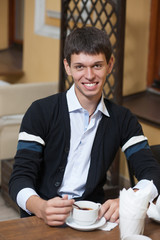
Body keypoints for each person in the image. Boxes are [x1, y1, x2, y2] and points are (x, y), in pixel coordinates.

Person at [9, 26, 160, 226]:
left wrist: (129, 197)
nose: (89, 75)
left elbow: (152, 173)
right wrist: (40, 207)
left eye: (97, 65)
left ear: (110, 64)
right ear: (67, 67)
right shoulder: (40, 112)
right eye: (80, 66)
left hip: (94, 219)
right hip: (41, 218)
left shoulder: (123, 119)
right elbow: (19, 179)